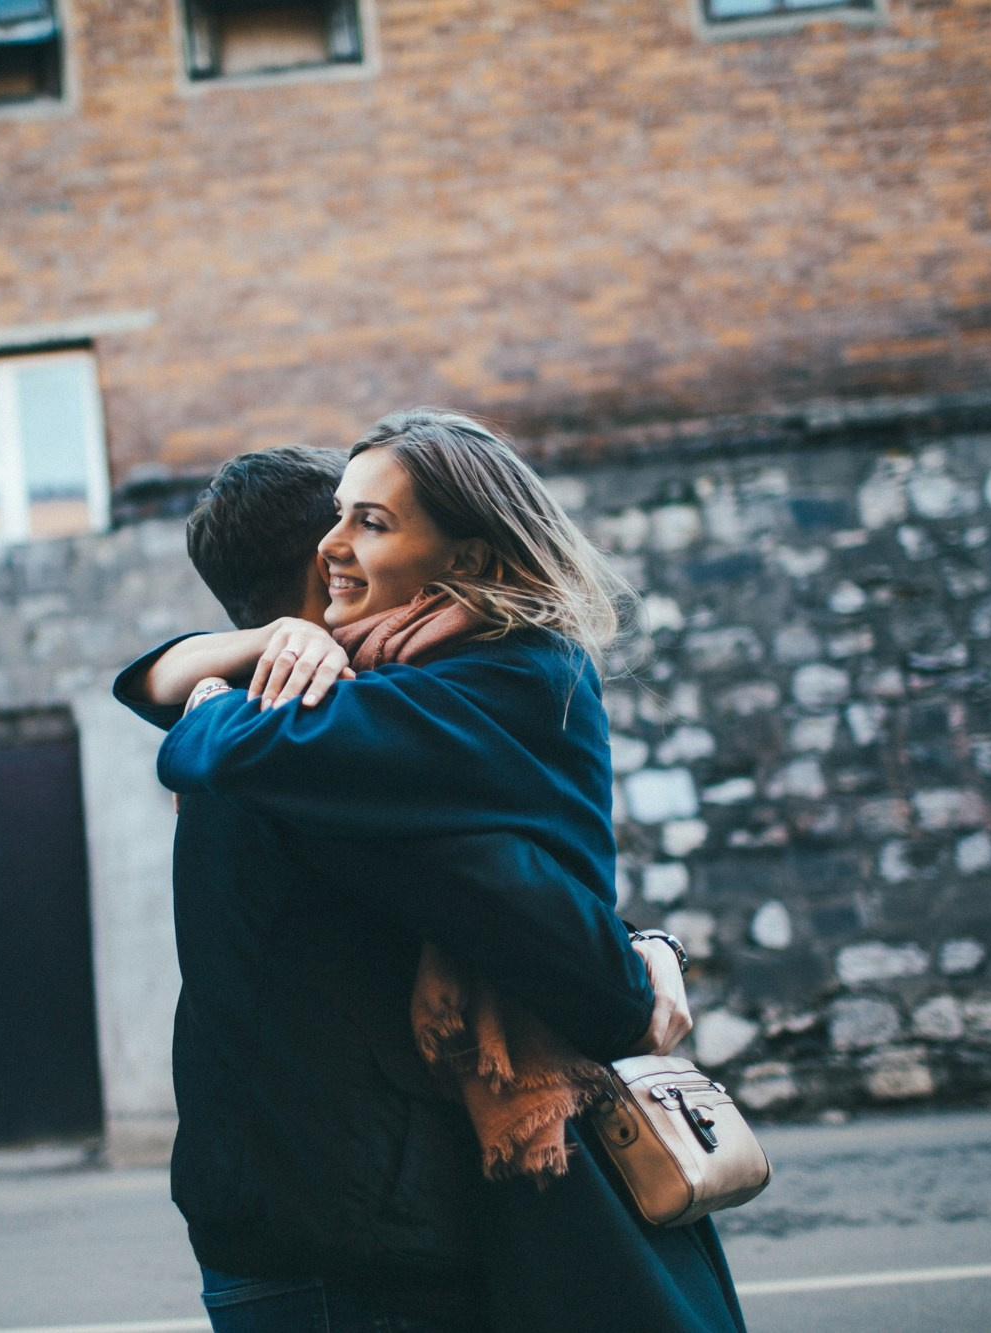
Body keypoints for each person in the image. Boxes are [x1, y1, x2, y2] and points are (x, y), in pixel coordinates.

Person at [115, 434, 720, 1331]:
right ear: (328, 578)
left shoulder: (321, 722)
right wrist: (638, 962)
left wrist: (208, 682)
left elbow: (502, 885)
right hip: (360, 1234)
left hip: (281, 1207)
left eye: (374, 519)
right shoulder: (316, 742)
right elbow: (542, 933)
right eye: (346, 522)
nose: (346, 544)